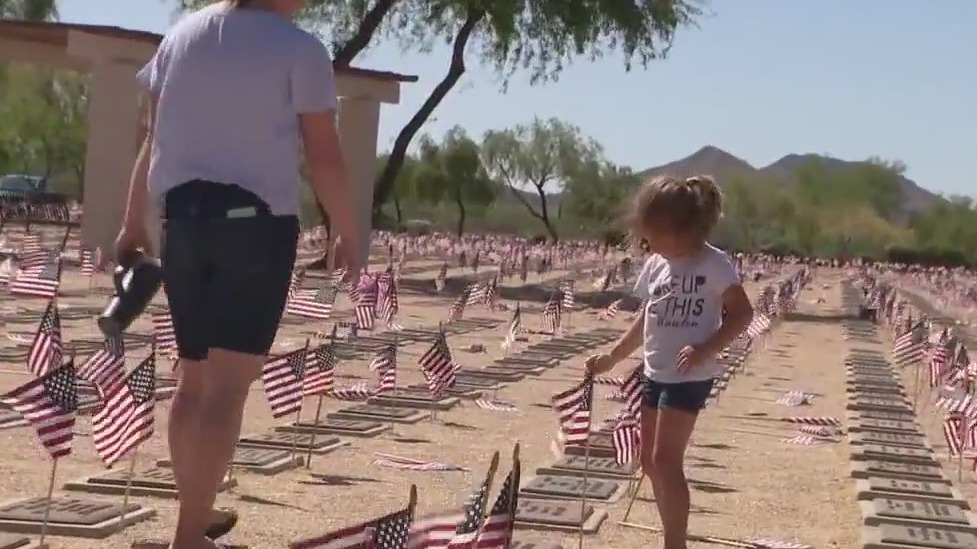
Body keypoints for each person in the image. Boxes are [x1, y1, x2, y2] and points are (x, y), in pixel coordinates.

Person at [114, 0, 358, 547]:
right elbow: (324, 155)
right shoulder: (299, 49)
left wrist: (132, 221)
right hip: (256, 227)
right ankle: (188, 535)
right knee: (227, 386)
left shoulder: (181, 37)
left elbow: (152, 139)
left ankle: (194, 518)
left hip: (183, 222)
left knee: (193, 379)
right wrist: (345, 228)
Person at [586, 175, 754, 549]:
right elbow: (648, 317)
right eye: (647, 234)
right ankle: (671, 535)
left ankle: (675, 544)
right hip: (655, 371)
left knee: (666, 460)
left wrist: (705, 349)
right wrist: (613, 356)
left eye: (657, 234)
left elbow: (743, 314)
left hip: (689, 375)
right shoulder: (656, 265)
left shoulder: (713, 264)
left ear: (686, 230)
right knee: (648, 461)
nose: (650, 242)